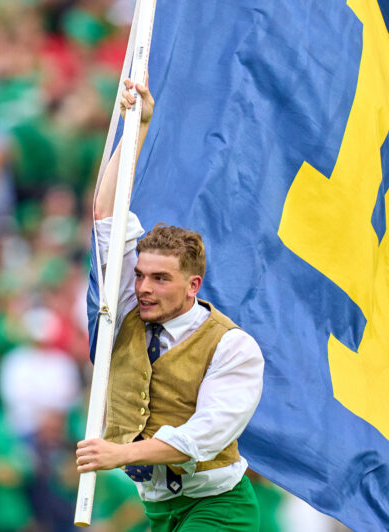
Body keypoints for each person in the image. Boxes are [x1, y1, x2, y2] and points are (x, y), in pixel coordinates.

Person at [75, 78, 264, 532]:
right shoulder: (126, 313)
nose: (143, 288)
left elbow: (196, 440)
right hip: (157, 510)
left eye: (161, 279)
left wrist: (120, 453)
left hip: (220, 507)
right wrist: (136, 127)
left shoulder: (234, 348)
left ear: (192, 285)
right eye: (140, 275)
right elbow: (107, 214)